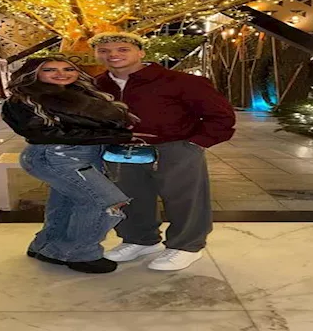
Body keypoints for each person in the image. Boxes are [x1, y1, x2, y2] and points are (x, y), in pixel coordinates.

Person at [91, 32, 236, 271]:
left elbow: (220, 115)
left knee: (184, 198)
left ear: (140, 52)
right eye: (104, 51)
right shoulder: (96, 85)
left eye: (123, 49)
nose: (113, 55)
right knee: (128, 198)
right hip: (121, 150)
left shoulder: (179, 81)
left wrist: (196, 143)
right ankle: (140, 240)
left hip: (174, 148)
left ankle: (186, 246)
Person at [1, 56, 148, 274]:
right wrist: (118, 135)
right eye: (50, 70)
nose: (61, 74)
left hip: (84, 155)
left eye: (68, 69)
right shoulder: (24, 99)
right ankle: (80, 253)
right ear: (34, 73)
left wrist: (120, 134)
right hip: (56, 155)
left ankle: (47, 247)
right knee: (105, 202)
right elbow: (45, 133)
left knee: (66, 203)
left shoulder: (84, 94)